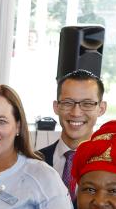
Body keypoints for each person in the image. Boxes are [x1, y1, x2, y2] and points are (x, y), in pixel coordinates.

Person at [37, 70, 108, 199]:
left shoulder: (113, 165)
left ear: (101, 109)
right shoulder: (34, 161)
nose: (76, 113)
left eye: (87, 104)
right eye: (68, 103)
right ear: (56, 107)